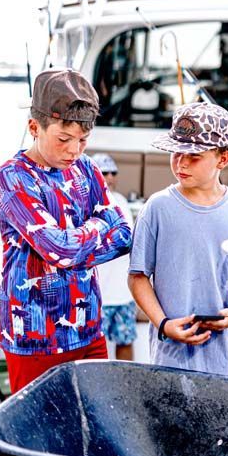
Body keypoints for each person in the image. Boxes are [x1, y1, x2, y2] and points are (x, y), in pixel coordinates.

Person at [0, 69, 132, 456]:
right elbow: (63, 249)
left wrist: (86, 235)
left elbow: (122, 234)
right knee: (31, 447)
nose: (74, 148)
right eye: (63, 138)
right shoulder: (10, 178)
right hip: (31, 334)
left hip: (88, 329)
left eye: (82, 139)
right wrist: (96, 230)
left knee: (97, 439)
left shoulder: (90, 172)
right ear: (35, 127)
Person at [128, 102, 228, 376]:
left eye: (194, 155)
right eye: (176, 153)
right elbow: (137, 276)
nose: (181, 162)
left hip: (223, 363)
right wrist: (163, 324)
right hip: (166, 359)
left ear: (223, 158)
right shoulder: (156, 208)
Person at [92, 152, 137, 361]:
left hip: (123, 293)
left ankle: (127, 389)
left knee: (125, 341)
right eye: (104, 172)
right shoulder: (84, 204)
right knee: (92, 349)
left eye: (113, 173)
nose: (109, 178)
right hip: (95, 295)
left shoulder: (121, 201)